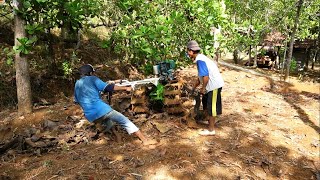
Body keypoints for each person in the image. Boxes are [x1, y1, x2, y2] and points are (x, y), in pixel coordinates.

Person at [74, 64, 156, 145]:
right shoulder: (92, 79)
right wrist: (125, 88)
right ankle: (145, 140)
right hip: (102, 110)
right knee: (125, 121)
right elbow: (109, 88)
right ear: (90, 73)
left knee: (108, 121)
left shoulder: (77, 84)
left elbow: (78, 101)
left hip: (90, 116)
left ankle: (118, 139)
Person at [186, 40, 224, 135]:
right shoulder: (200, 58)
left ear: (191, 51)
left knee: (212, 106)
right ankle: (209, 120)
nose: (187, 53)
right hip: (211, 86)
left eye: (188, 51)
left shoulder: (200, 60)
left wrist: (203, 89)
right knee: (206, 102)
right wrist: (194, 87)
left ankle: (211, 129)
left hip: (213, 86)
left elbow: (206, 77)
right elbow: (201, 77)